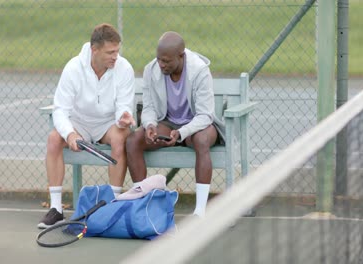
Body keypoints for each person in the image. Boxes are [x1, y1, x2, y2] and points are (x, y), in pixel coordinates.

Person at [38, 23, 136, 229]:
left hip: (108, 125)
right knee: (54, 139)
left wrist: (123, 117)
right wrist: (70, 134)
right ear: (94, 50)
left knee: (121, 137)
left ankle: (113, 203)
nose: (115, 56)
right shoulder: (73, 68)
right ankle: (56, 209)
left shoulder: (124, 68)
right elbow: (60, 110)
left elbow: (123, 106)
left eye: (117, 51)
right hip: (79, 123)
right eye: (110, 52)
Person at [126, 31, 224, 217]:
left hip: (196, 125)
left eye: (167, 61)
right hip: (167, 123)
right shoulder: (151, 69)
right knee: (133, 140)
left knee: (202, 140)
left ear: (181, 56)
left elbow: (205, 115)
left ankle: (200, 211)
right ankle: (142, 205)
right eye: (159, 59)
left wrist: (182, 132)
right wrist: (149, 125)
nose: (161, 64)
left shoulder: (200, 70)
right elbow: (148, 108)